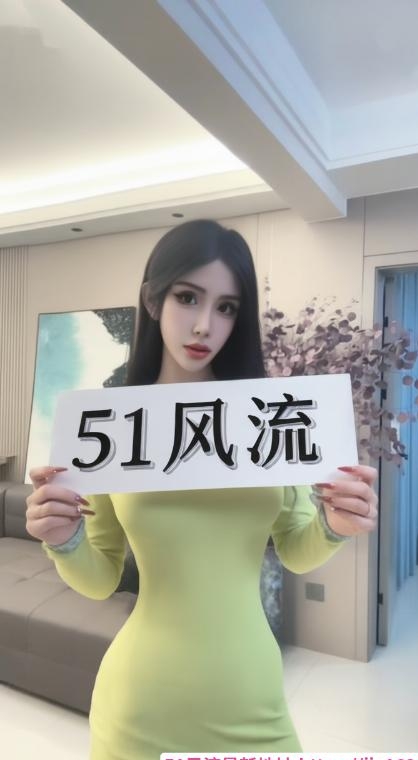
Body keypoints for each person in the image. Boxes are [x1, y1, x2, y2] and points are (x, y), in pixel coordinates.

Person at [26, 219, 378, 759]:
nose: (204, 326)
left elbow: (295, 549)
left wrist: (334, 525)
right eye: (188, 298)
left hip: (252, 700)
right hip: (139, 705)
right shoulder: (112, 425)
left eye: (226, 307)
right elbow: (100, 580)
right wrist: (64, 539)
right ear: (153, 300)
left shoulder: (267, 419)